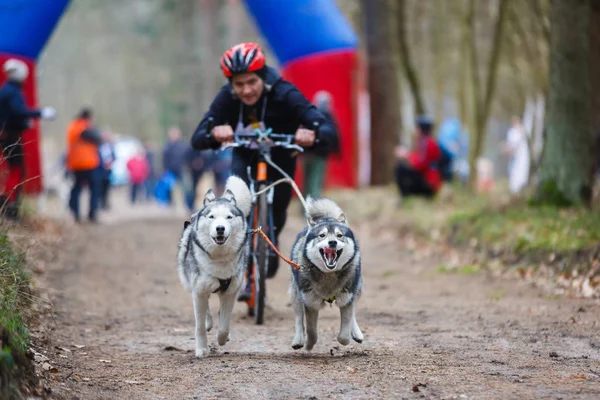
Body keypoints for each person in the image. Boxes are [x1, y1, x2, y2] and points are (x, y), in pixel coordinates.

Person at [190, 42, 337, 300]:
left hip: (280, 155)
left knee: (277, 211)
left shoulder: (284, 92)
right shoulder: (227, 97)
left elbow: (325, 128)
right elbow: (198, 136)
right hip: (244, 155)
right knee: (237, 209)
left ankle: (271, 242)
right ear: (231, 84)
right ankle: (242, 273)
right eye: (239, 84)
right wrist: (214, 133)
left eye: (251, 82)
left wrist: (311, 133)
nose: (246, 90)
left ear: (262, 76)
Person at [0, 59, 56, 219]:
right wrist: (39, 113)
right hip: (10, 137)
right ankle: (9, 208)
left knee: (13, 170)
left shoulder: (7, 90)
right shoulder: (12, 92)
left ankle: (8, 206)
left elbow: (13, 114)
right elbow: (18, 112)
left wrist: (25, 122)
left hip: (7, 135)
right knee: (16, 171)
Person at [66, 108, 101, 223]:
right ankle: (92, 215)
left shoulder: (72, 126)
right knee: (94, 189)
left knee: (77, 189)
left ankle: (75, 214)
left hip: (76, 164)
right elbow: (96, 138)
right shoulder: (84, 127)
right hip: (88, 164)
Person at [302, 90, 340, 199]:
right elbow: (334, 135)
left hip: (310, 154)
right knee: (315, 181)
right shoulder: (327, 118)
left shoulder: (310, 115)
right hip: (318, 155)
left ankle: (307, 205)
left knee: (309, 181)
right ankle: (312, 206)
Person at [394, 116, 442, 199]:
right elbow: (417, 158)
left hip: (429, 183)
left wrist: (406, 155)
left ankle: (405, 196)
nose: (415, 131)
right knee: (401, 168)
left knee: (400, 169)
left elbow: (421, 164)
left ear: (421, 130)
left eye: (416, 128)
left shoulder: (428, 144)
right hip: (426, 180)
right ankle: (406, 195)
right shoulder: (424, 142)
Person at [162, 126, 188, 207]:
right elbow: (164, 158)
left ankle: (186, 204)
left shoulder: (183, 145)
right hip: (170, 171)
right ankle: (171, 203)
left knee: (184, 188)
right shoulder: (167, 146)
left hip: (181, 169)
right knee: (170, 188)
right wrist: (164, 169)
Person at [98, 131, 116, 210]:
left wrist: (110, 163)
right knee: (100, 188)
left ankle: (105, 203)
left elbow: (114, 156)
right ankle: (101, 203)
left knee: (107, 188)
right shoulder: (98, 146)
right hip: (100, 170)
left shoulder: (110, 146)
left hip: (108, 170)